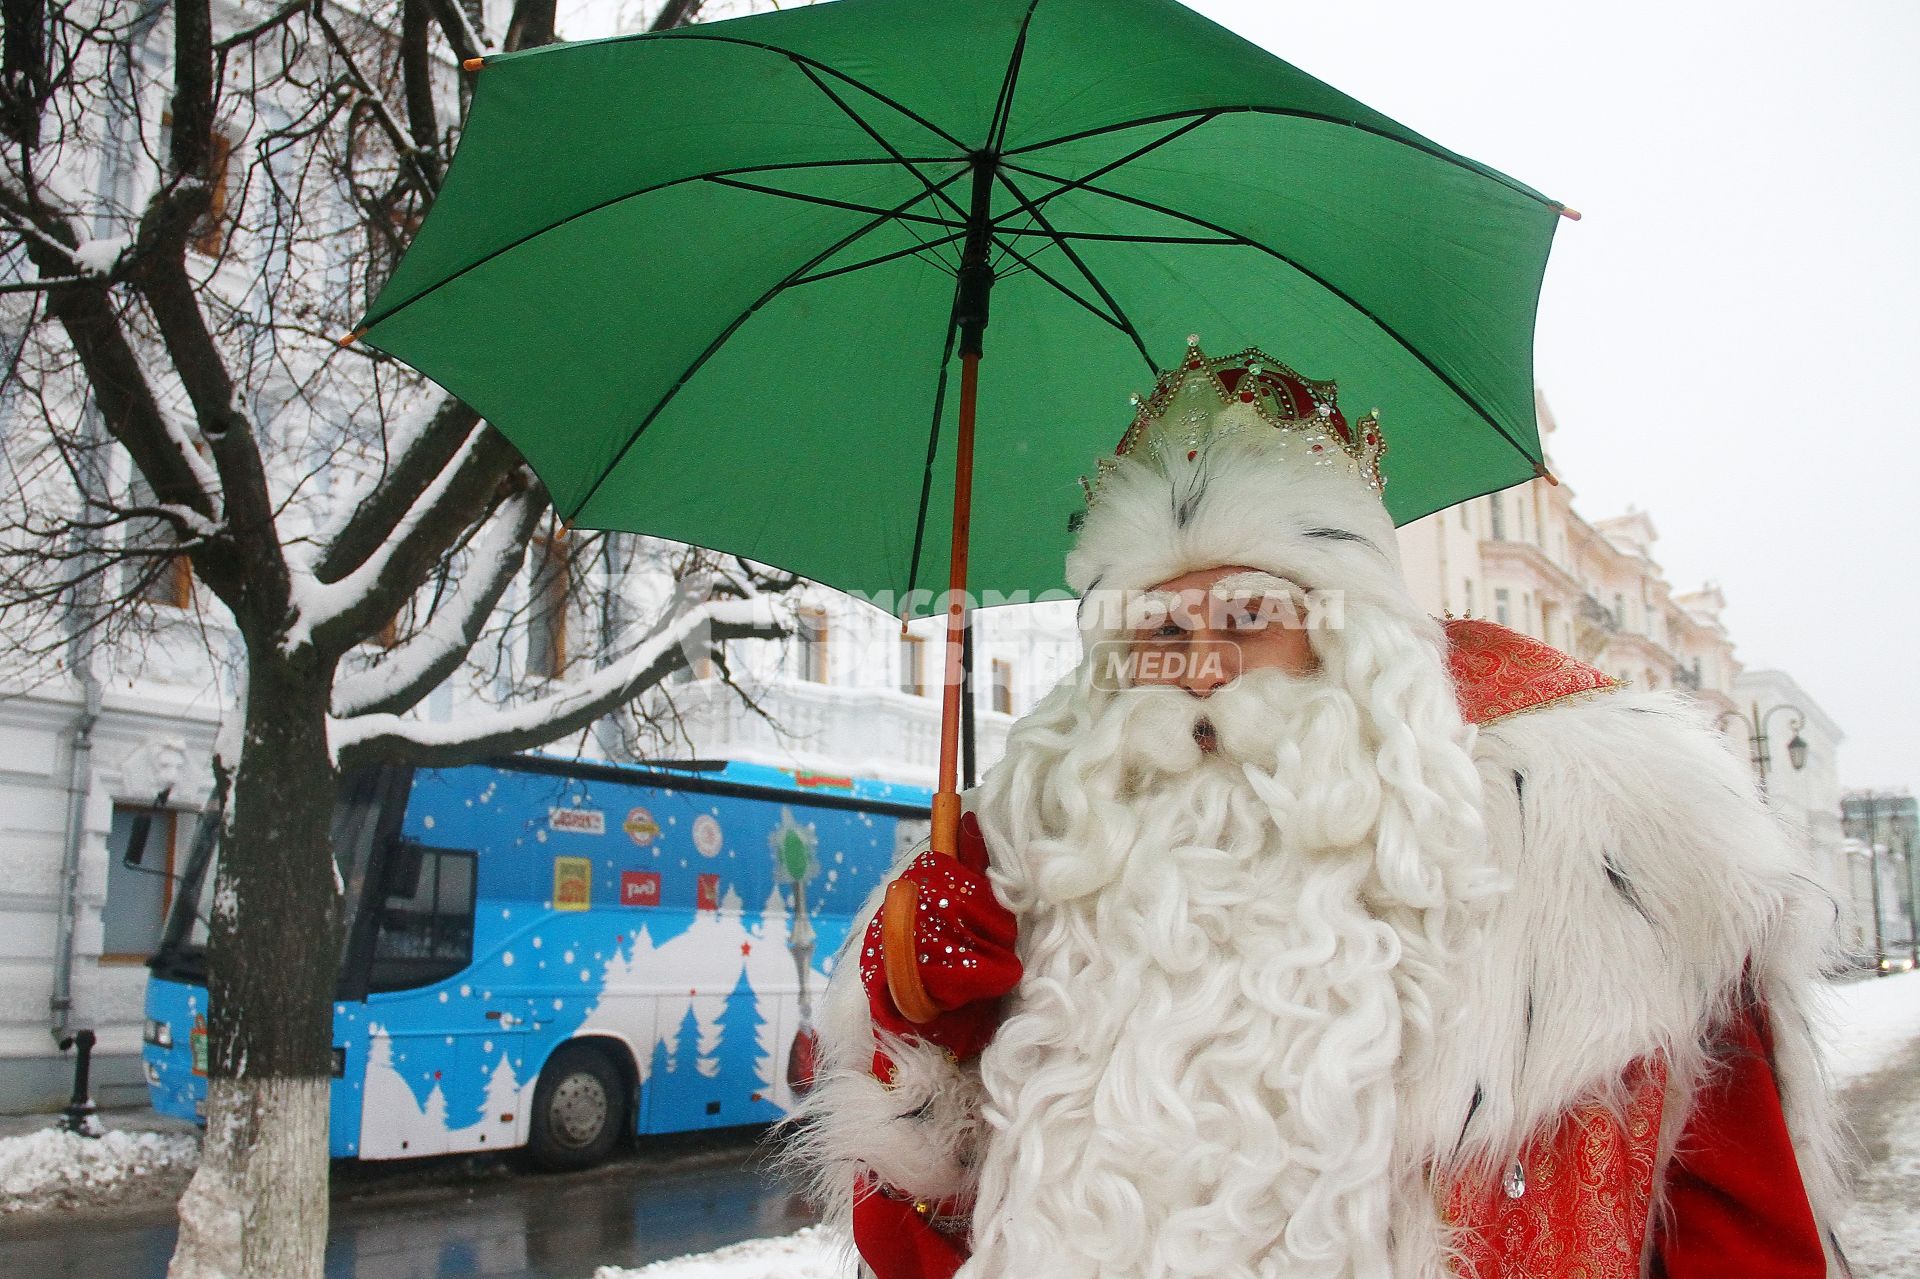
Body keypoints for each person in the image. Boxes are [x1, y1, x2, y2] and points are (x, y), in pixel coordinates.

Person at [790, 339, 1850, 1279]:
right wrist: (926, 1055)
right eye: (1159, 623)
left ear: (1352, 636)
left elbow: (1753, 1242)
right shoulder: (1038, 868)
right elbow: (922, 1249)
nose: (1201, 663)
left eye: (1249, 614)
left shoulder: (1615, 853)